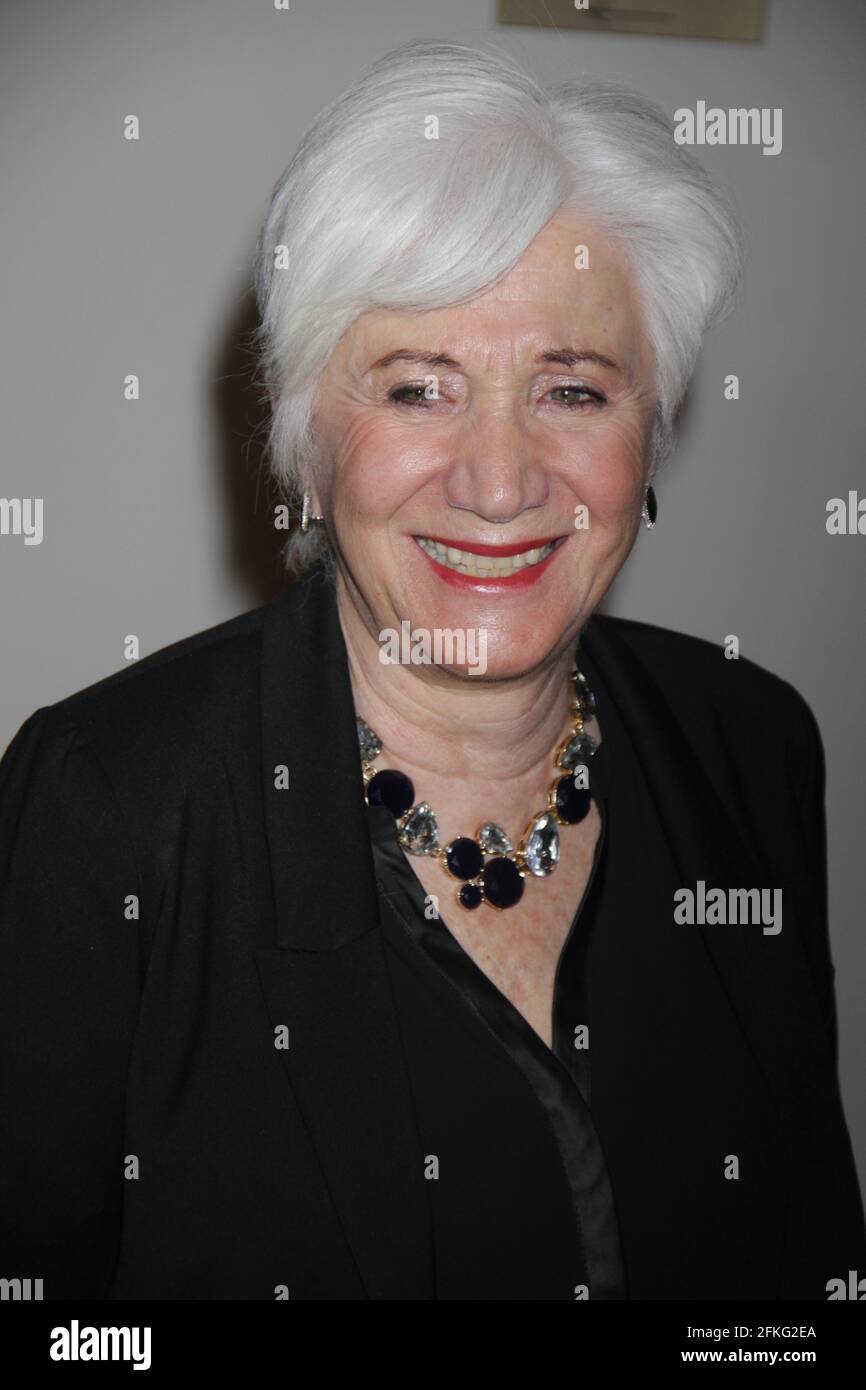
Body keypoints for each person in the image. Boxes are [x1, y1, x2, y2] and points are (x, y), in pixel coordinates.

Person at [1, 39, 863, 1300]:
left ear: (650, 435)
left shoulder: (750, 743)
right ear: (305, 440)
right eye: (417, 389)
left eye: (571, 390)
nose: (501, 482)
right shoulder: (110, 808)